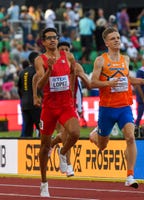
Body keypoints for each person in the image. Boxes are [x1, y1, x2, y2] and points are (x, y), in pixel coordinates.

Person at [89, 27, 144, 189]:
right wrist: (108, 83)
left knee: (130, 137)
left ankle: (130, 175)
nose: (117, 40)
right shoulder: (100, 60)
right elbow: (92, 83)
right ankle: (95, 134)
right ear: (106, 42)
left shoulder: (125, 59)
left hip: (124, 107)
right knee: (102, 145)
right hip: (107, 108)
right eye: (113, 38)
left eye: (118, 37)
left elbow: (128, 79)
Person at [34, 27, 80, 197]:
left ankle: (62, 152)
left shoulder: (68, 56)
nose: (53, 40)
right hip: (49, 108)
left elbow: (73, 73)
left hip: (66, 105)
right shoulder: (40, 60)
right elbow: (39, 85)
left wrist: (72, 95)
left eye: (55, 37)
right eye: (49, 38)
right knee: (45, 147)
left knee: (75, 133)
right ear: (43, 42)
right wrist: (49, 70)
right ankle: (44, 183)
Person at [48, 41, 91, 177]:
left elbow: (86, 82)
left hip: (70, 103)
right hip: (56, 104)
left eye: (67, 49)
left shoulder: (75, 65)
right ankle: (69, 164)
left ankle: (52, 144)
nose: (65, 52)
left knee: (69, 135)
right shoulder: (52, 65)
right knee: (65, 134)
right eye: (62, 49)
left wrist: (83, 77)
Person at [17, 52, 41, 137]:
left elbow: (19, 89)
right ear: (35, 60)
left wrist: (23, 98)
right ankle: (43, 148)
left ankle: (24, 148)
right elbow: (40, 88)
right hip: (35, 104)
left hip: (24, 104)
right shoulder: (37, 72)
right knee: (41, 128)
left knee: (27, 129)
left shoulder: (22, 72)